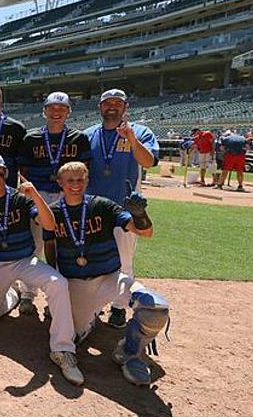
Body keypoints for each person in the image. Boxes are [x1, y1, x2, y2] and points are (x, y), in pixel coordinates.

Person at [44, 162, 170, 386]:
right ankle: (88, 320)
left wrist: (140, 214)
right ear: (60, 183)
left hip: (110, 278)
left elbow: (146, 232)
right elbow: (50, 245)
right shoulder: (52, 212)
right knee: (73, 336)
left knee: (155, 309)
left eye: (80, 180)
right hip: (77, 284)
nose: (75, 185)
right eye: (70, 180)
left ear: (87, 181)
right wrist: (55, 277)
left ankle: (129, 352)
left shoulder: (101, 205)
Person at [0, 153, 82, 386]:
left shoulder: (20, 199)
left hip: (25, 261)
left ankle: (63, 349)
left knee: (58, 283)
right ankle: (13, 294)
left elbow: (49, 224)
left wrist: (34, 195)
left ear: (6, 174)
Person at [82, 88, 159, 328]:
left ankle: (118, 307)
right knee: (91, 260)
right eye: (107, 103)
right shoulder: (88, 135)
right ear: (100, 108)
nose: (112, 107)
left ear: (126, 107)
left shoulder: (141, 132)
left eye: (118, 103)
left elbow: (149, 162)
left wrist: (131, 139)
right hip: (92, 210)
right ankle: (91, 307)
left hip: (123, 209)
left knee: (124, 261)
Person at [17, 91, 91, 316]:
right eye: (52, 108)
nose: (56, 112)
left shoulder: (78, 138)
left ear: (68, 111)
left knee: (65, 246)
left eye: (62, 108)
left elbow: (85, 171)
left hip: (66, 198)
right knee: (35, 245)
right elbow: (22, 170)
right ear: (44, 111)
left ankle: (57, 298)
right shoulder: (31, 138)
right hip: (38, 195)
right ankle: (28, 294)